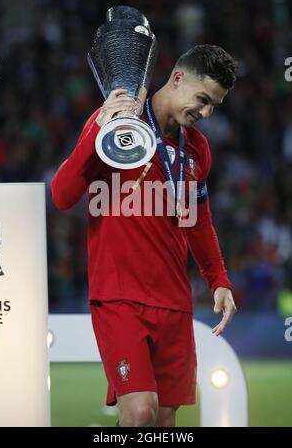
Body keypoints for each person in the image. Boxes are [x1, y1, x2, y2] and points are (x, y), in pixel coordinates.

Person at [51, 44, 237, 427]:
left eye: (214, 106)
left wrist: (218, 280)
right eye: (203, 99)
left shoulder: (197, 149)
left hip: (174, 302)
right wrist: (96, 130)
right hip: (119, 296)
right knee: (140, 415)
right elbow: (62, 195)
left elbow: (199, 221)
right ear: (178, 78)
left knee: (164, 424)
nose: (205, 113)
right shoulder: (117, 125)